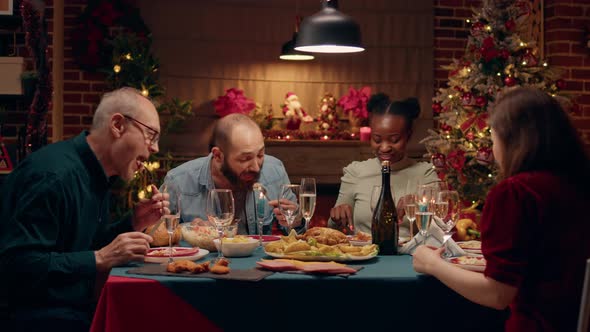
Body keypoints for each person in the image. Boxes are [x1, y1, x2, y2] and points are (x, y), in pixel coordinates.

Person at [413, 87, 590, 331]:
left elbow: (497, 294)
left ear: (512, 142)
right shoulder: (577, 184)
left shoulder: (516, 193)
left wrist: (432, 264)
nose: (494, 150)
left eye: (493, 140)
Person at [0, 87, 169, 331]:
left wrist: (132, 222)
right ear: (118, 125)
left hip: (69, 309)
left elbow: (78, 246)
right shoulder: (53, 176)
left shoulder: (97, 174)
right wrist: (100, 258)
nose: (154, 148)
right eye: (151, 136)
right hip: (34, 318)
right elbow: (17, 265)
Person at [162, 113, 303, 235]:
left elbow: (296, 233)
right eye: (245, 158)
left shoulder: (275, 171)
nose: (256, 167)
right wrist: (188, 230)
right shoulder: (178, 181)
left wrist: (296, 221)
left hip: (259, 264)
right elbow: (157, 235)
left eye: (260, 155)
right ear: (218, 156)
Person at [329, 93, 438, 238]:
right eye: (377, 139)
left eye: (394, 139)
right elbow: (333, 228)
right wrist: (337, 216)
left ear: (408, 135)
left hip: (410, 256)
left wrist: (421, 206)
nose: (385, 147)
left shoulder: (425, 174)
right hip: (364, 253)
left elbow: (440, 224)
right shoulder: (356, 172)